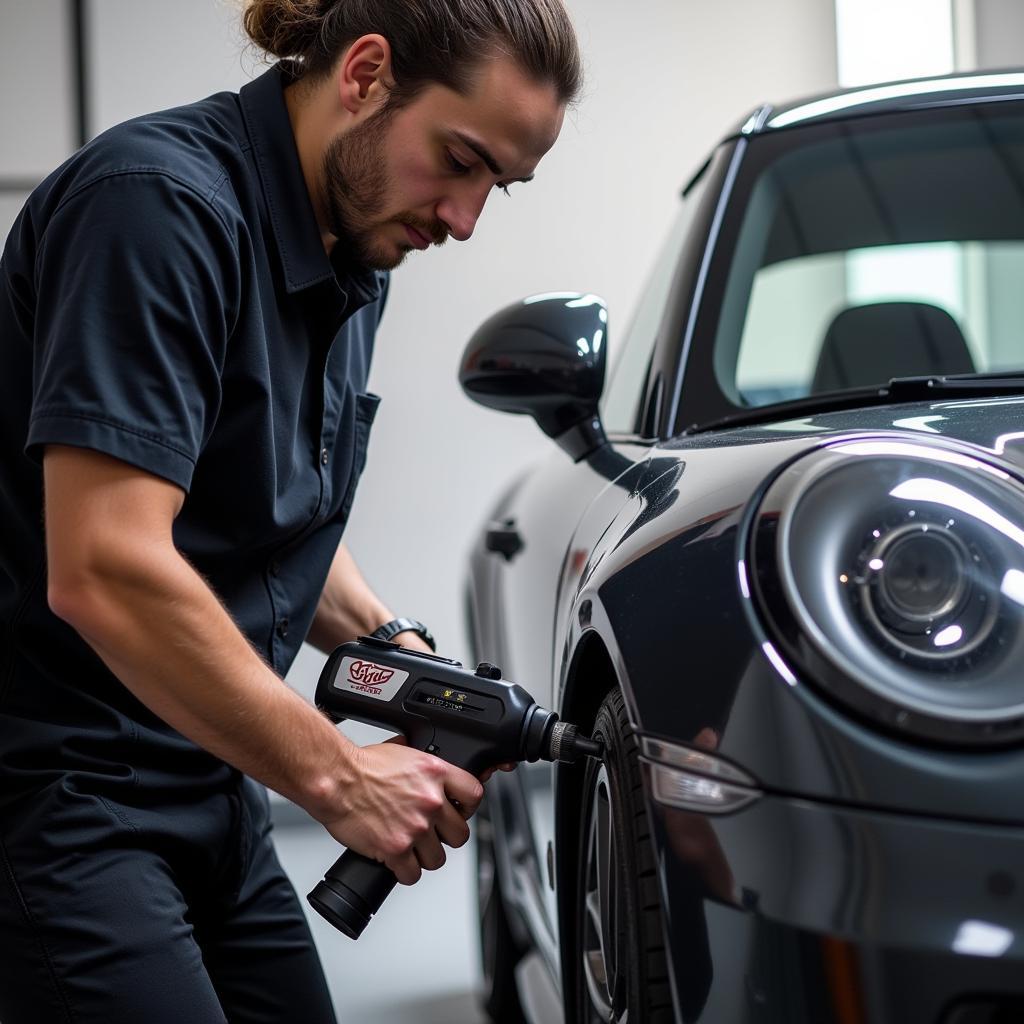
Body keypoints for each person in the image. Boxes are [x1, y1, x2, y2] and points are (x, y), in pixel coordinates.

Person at [0, 0, 581, 1020]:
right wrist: (340, 779)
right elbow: (104, 567)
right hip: (60, 792)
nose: (463, 218)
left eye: (500, 185)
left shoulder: (351, 254)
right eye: (459, 159)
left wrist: (397, 652)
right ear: (363, 75)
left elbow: (271, 521)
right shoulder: (155, 209)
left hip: (216, 777)